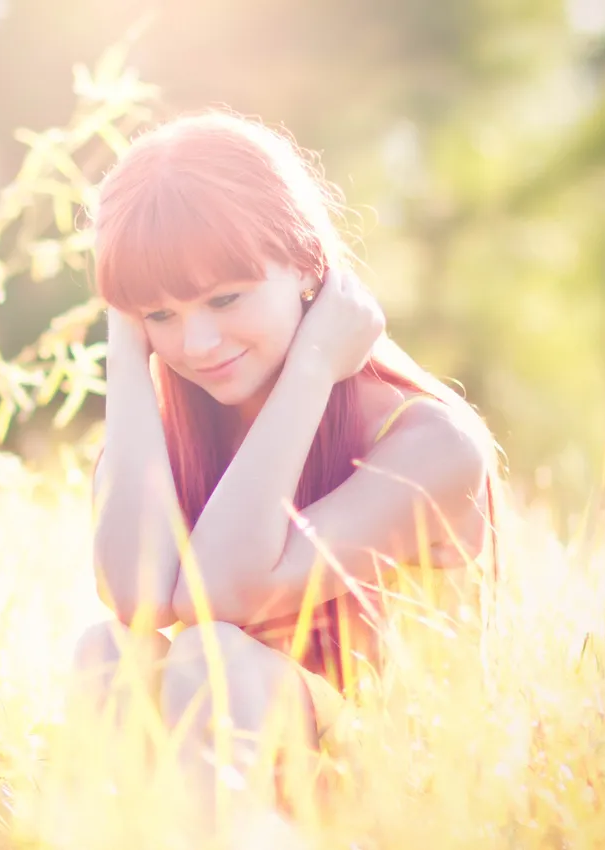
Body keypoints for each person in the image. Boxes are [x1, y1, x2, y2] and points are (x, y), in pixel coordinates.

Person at [70, 110, 506, 823]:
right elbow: (136, 600)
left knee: (210, 659)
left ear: (309, 266)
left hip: (402, 786)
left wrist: (312, 370)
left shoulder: (429, 441)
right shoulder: (168, 424)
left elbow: (219, 600)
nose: (198, 341)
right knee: (107, 654)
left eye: (225, 298)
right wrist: (124, 355)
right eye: (159, 314)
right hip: (225, 768)